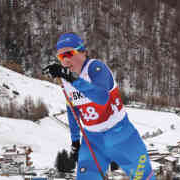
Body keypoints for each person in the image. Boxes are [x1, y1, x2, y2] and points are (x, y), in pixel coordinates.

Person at [44, 33, 155, 180]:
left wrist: (71, 78)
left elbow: (101, 97)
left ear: (82, 52)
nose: (65, 60)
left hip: (121, 134)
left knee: (144, 177)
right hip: (93, 139)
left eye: (69, 53)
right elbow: (72, 109)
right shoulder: (66, 80)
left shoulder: (95, 68)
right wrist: (75, 141)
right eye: (60, 57)